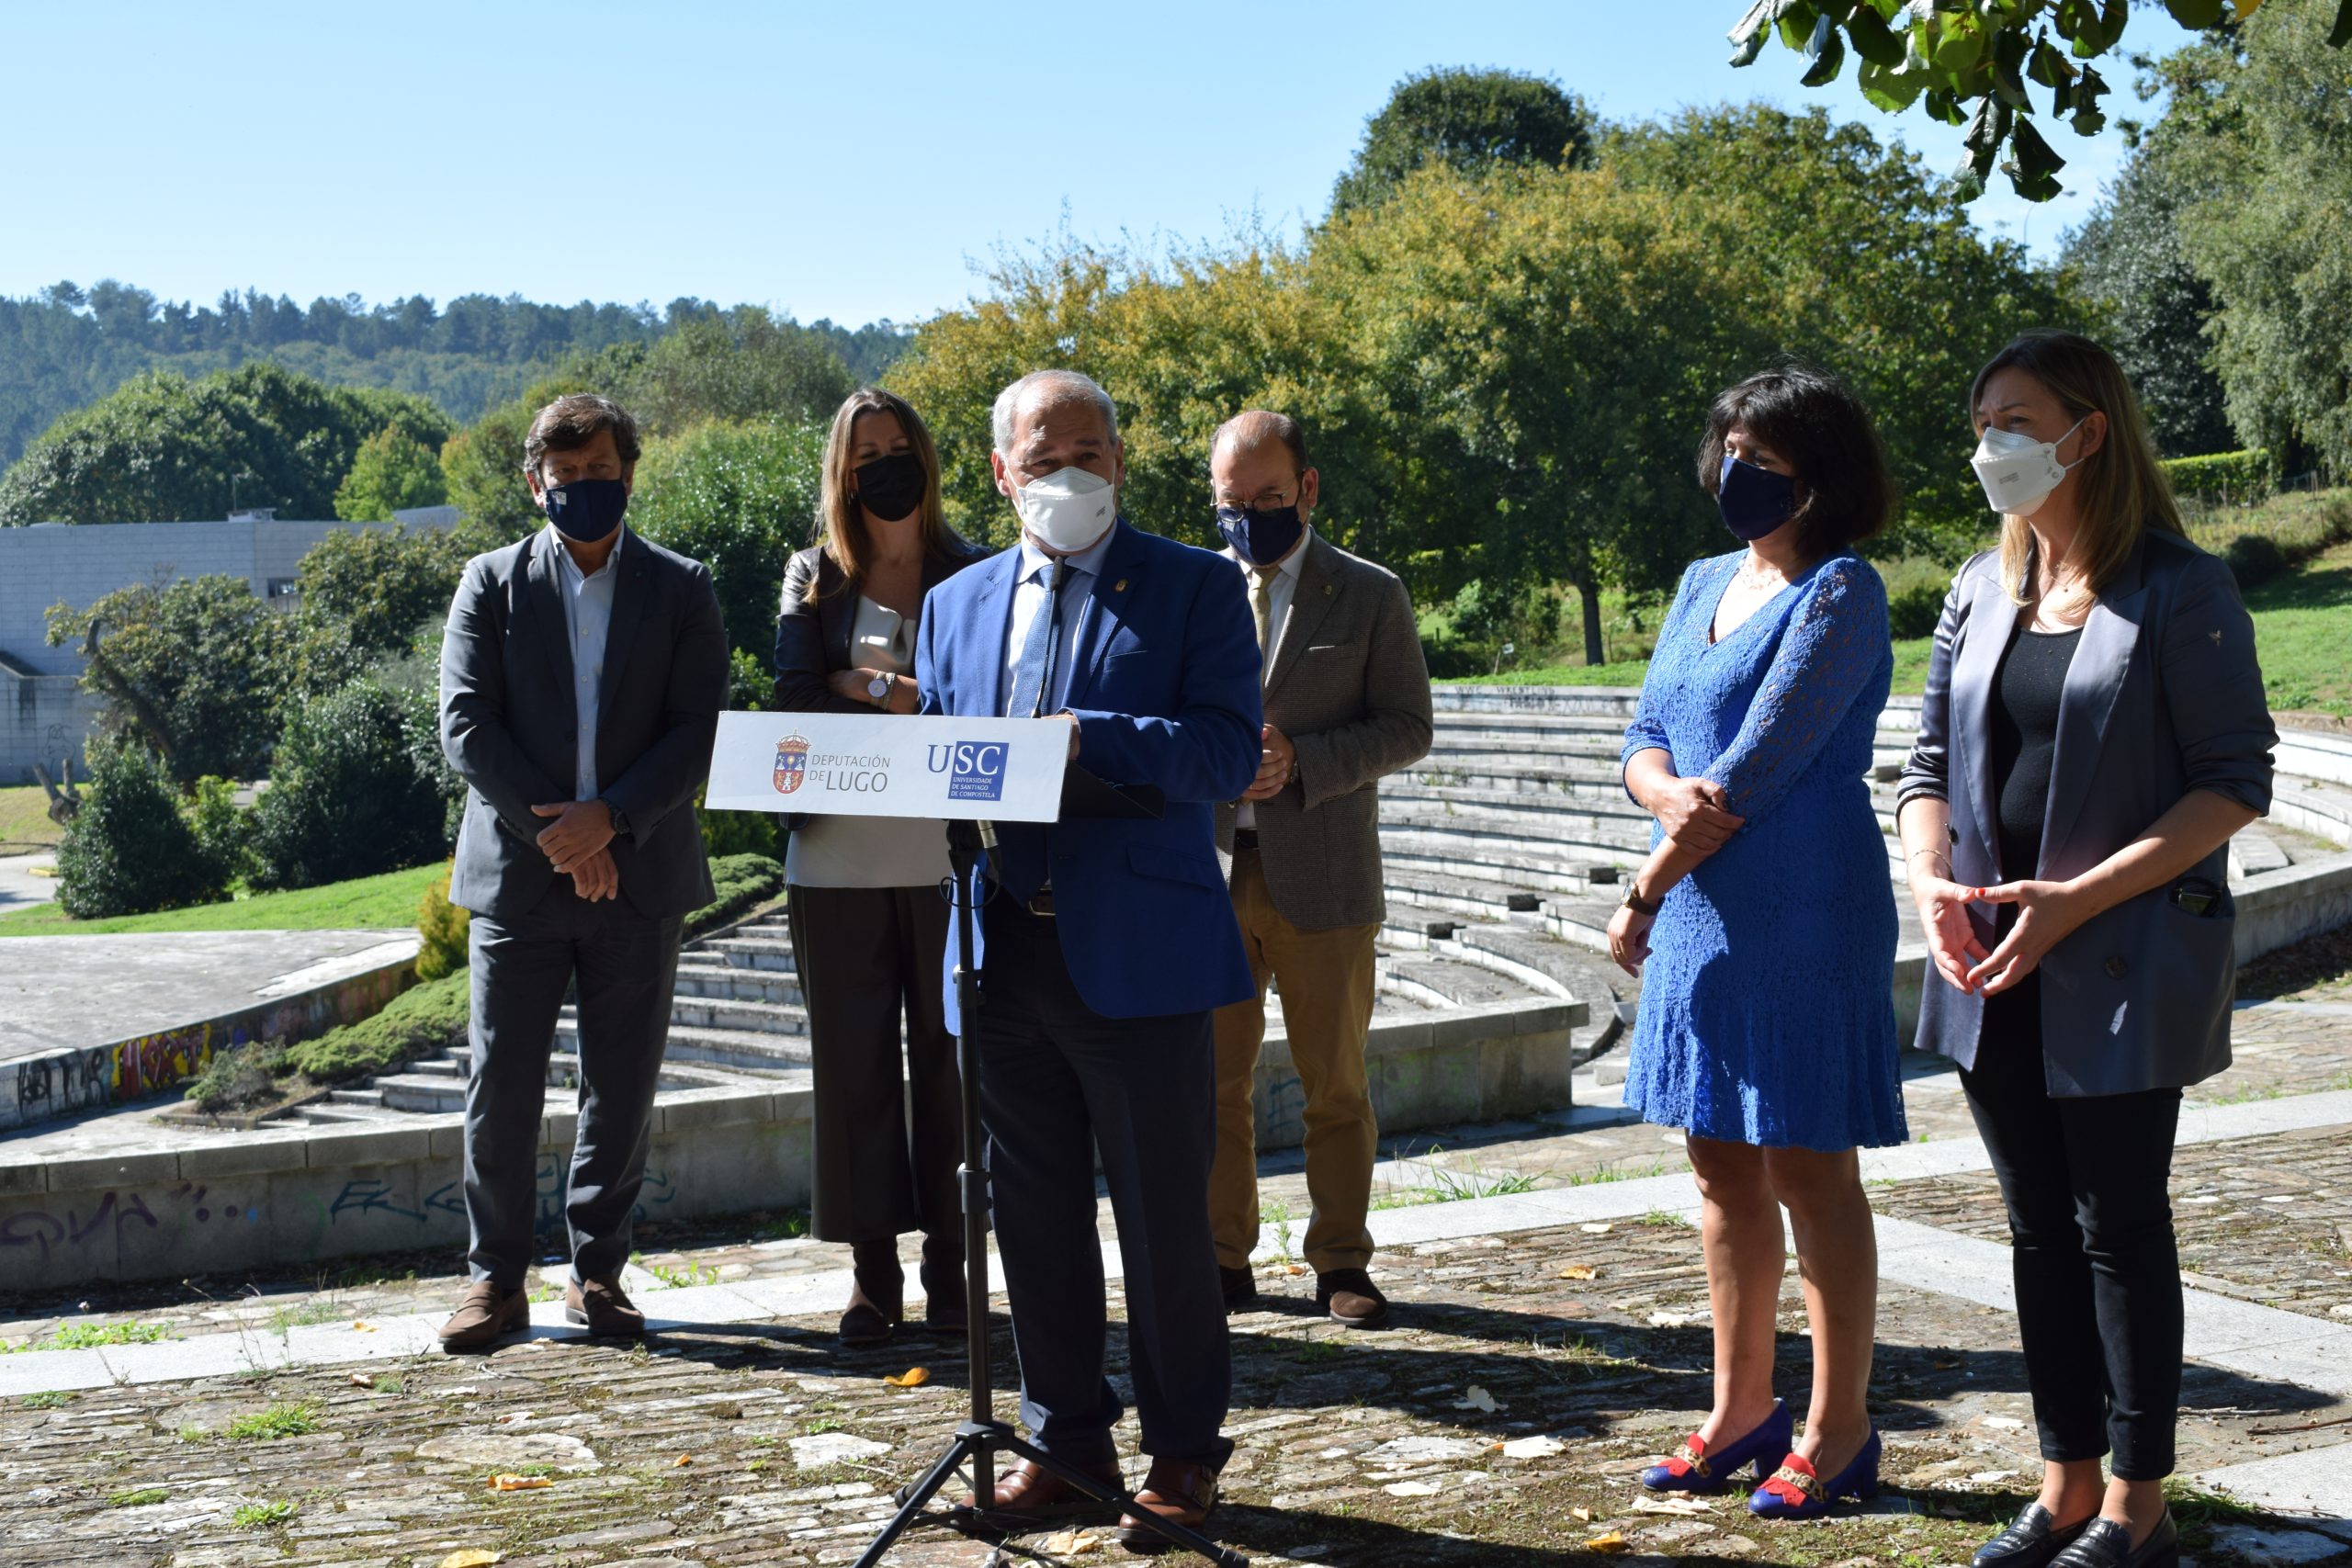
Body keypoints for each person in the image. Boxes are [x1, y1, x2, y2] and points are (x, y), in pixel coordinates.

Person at [1899, 331, 2275, 1568]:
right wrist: (1930, 884)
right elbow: (1926, 769)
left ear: (2086, 431)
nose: (1988, 445)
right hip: (1989, 958)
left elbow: (2233, 783)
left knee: (2118, 1222)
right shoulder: (1978, 585)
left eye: (2012, 418)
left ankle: (2137, 1504)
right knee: (2033, 1225)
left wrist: (2073, 898)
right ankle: (2060, 1484)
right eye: (1980, 421)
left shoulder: (2180, 586)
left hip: (2117, 963)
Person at [913, 368, 1261, 1546]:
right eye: (1045, 456)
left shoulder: (1197, 587)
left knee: (1166, 1223)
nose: (1070, 474)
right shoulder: (952, 604)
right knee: (1033, 1220)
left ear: (1120, 462)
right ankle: (1063, 1444)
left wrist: (1091, 736)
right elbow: (938, 759)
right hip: (997, 950)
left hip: (1139, 959)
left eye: (1092, 453)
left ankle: (1180, 1458)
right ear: (1002, 471)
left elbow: (1224, 752)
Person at [1608, 364, 1904, 1518]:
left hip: (1798, 902)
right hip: (1700, 901)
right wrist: (1657, 794)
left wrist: (1643, 883)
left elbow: (1758, 770)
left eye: (1764, 461)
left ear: (1819, 479)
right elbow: (1643, 730)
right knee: (1718, 1165)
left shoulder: (1840, 589)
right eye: (1728, 449)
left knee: (1808, 1166)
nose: (1735, 475)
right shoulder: (1699, 582)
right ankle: (1741, 1409)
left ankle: (1838, 1428)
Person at [435, 393, 729, 1350]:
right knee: (501, 1087)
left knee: (623, 1085)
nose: (586, 491)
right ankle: (494, 1281)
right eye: (567, 480)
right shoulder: (488, 582)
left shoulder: (683, 587)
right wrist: (562, 835)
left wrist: (614, 824)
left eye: (602, 473)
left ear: (628, 473)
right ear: (536, 485)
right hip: (519, 883)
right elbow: (467, 726)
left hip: (639, 876)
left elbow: (698, 727)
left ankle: (596, 1275)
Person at [1204, 410, 1432, 1327]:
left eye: (1266, 497)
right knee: (1209, 1085)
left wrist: (1303, 759)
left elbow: (1408, 726)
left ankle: (1341, 1261)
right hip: (1206, 871)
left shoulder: (1369, 593)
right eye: (1231, 501)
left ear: (1307, 488)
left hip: (1324, 869)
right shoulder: (1185, 592)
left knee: (1334, 1084)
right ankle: (1221, 1260)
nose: (1249, 516)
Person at [773, 388, 989, 1347]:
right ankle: (873, 1278)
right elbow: (789, 697)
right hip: (833, 862)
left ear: (926, 457)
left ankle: (953, 1272)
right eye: (866, 453)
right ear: (842, 472)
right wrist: (889, 694)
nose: (885, 464)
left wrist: (852, 685)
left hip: (947, 863)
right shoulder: (809, 578)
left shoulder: (976, 572)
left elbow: (981, 702)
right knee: (853, 1075)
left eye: (899, 446)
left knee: (953, 1073)